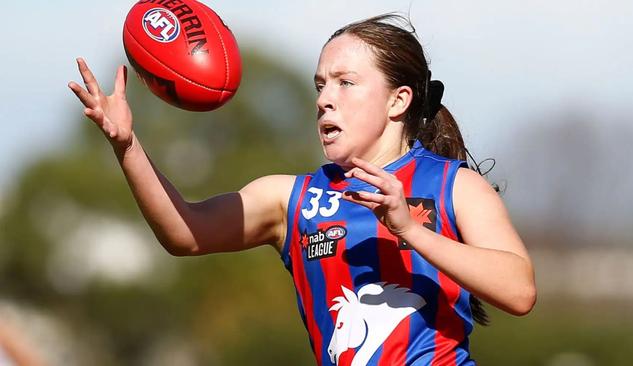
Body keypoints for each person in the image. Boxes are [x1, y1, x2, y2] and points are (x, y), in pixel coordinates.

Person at [68, 14, 536, 366]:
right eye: (320, 84)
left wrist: (410, 230)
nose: (323, 98)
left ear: (399, 100)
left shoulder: (455, 186)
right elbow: (185, 234)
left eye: (345, 83)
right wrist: (127, 145)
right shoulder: (293, 198)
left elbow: (520, 292)